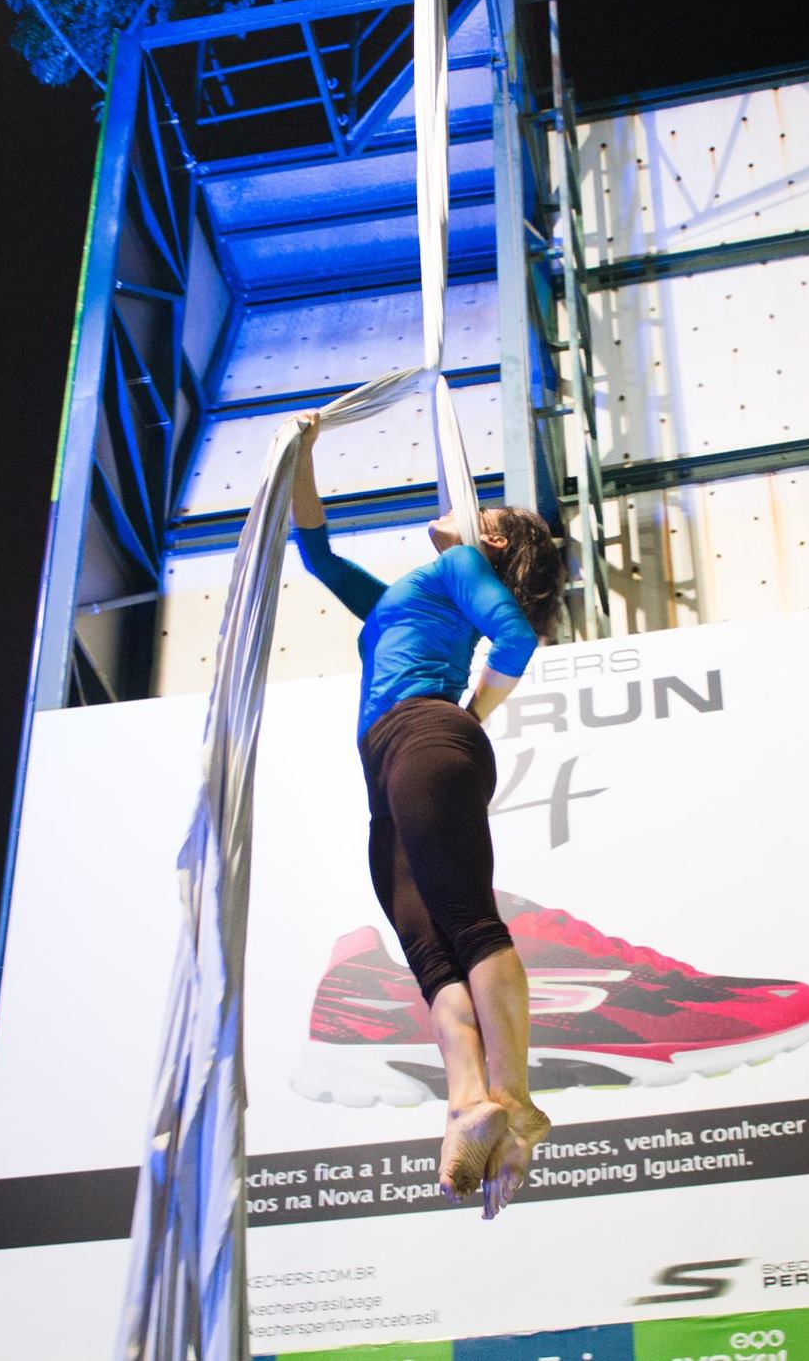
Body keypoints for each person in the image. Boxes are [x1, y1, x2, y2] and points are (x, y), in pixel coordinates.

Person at [288, 411, 565, 1219]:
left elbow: (514, 637)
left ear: (491, 542)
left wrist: (472, 713)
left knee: (467, 922)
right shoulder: (408, 594)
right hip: (390, 761)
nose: (459, 507)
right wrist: (305, 453)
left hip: (424, 736)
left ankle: (514, 1098)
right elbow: (317, 554)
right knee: (426, 949)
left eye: (481, 511)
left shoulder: (460, 566)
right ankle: (469, 1100)